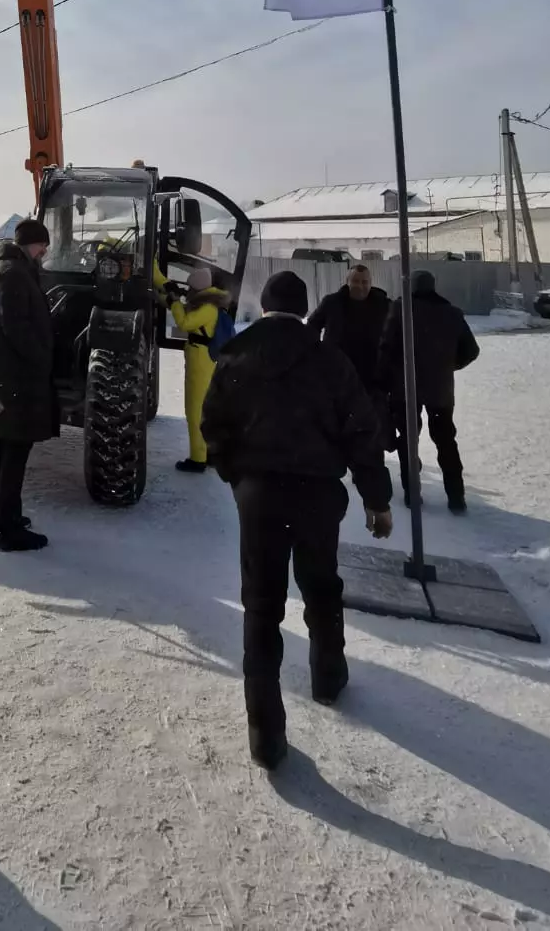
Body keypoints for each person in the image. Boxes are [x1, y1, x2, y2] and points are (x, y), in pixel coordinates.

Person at [202, 270, 392, 772]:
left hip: (259, 496)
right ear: (305, 309)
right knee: (322, 587)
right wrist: (377, 499)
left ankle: (265, 733)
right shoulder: (331, 361)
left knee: (261, 606)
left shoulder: (236, 356)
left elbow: (213, 425)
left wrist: (237, 477)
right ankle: (329, 677)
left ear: (265, 307)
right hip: (317, 494)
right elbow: (362, 433)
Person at [0, 218, 58, 552]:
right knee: (15, 450)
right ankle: (9, 530)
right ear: (32, 244)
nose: (44, 252)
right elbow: (16, 327)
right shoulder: (13, 273)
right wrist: (41, 357)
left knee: (2, 444)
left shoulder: (3, 269)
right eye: (42, 245)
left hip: (5, 373)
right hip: (18, 375)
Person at [379, 269, 479, 513]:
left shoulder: (400, 309)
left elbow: (386, 347)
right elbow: (471, 350)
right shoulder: (452, 313)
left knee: (408, 441)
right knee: (446, 442)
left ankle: (412, 494)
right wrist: (447, 366)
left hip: (405, 389)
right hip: (440, 390)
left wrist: (385, 379)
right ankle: (456, 497)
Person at [158, 264, 232, 474]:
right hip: (202, 359)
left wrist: (174, 303)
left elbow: (184, 323)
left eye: (190, 288)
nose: (188, 291)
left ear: (198, 288)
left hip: (200, 362)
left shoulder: (207, 308)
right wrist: (166, 298)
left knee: (195, 411)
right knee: (204, 409)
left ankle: (198, 459)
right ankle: (208, 453)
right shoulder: (209, 303)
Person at [309, 263, 391, 427]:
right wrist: (318, 356)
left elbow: (397, 333)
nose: (360, 286)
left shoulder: (384, 305)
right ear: (347, 282)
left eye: (364, 282)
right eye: (355, 281)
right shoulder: (332, 303)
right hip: (337, 375)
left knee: (375, 426)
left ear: (371, 283)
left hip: (372, 377)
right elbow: (311, 328)